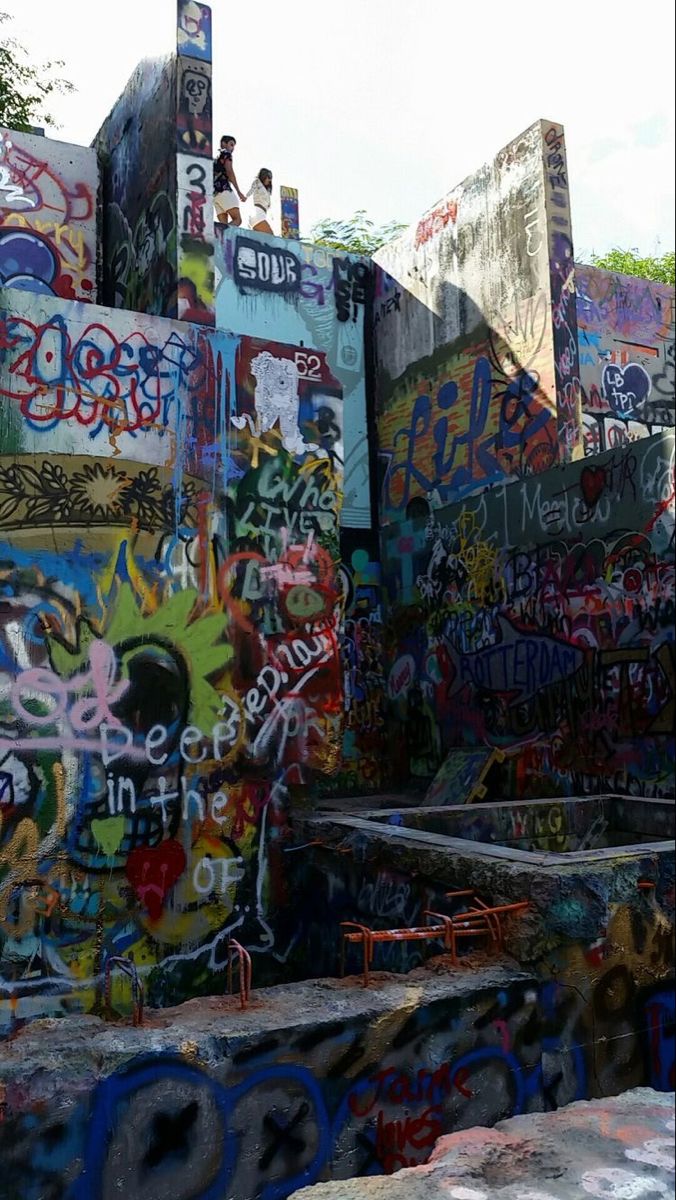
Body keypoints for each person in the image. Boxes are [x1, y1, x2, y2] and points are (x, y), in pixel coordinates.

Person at [213, 135, 246, 226]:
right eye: (231, 144)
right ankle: (221, 237)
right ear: (223, 143)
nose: (233, 148)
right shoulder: (226, 154)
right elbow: (229, 172)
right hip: (224, 189)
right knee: (237, 220)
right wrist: (239, 192)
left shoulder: (215, 159)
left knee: (223, 225)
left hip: (215, 195)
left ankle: (220, 239)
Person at [247, 168, 274, 234]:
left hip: (261, 215)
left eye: (271, 178)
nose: (270, 180)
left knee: (261, 241)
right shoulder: (258, 182)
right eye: (268, 177)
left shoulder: (266, 191)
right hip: (257, 214)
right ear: (263, 176)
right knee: (271, 236)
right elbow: (251, 190)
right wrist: (245, 196)